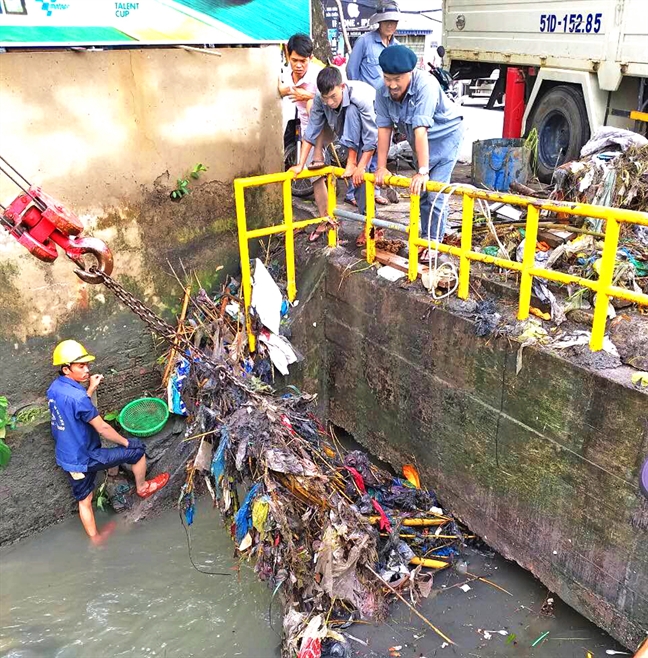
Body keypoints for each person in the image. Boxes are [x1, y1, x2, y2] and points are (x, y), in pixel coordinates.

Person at [47, 340, 169, 544]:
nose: (87, 370)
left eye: (87, 365)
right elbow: (102, 427)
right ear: (66, 369)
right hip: (86, 457)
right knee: (137, 450)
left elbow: (74, 412)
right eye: (81, 366)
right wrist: (126, 442)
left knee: (84, 500)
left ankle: (95, 539)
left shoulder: (54, 389)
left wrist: (91, 388)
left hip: (67, 456)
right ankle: (143, 487)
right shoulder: (78, 397)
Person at [374, 45, 464, 245]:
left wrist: (423, 171)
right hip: (419, 142)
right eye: (388, 78)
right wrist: (381, 167)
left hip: (446, 136)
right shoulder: (382, 91)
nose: (392, 85)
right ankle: (425, 238)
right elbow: (384, 129)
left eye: (398, 79)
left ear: (410, 73)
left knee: (434, 193)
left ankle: (434, 244)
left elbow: (421, 129)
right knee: (420, 193)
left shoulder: (426, 85)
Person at [288, 66, 378, 241]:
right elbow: (311, 131)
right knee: (356, 179)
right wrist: (300, 164)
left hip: (373, 133)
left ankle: (372, 227)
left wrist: (359, 165)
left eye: (333, 97)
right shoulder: (322, 100)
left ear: (342, 87)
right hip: (346, 130)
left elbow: (371, 138)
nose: (329, 102)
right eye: (325, 98)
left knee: (362, 178)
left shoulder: (360, 98)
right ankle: (366, 223)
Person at [345, 1, 401, 207]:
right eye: (386, 21)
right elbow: (352, 70)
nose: (390, 25)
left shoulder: (396, 46)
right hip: (364, 104)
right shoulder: (365, 41)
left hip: (387, 106)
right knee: (362, 147)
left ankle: (375, 189)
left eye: (393, 21)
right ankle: (353, 192)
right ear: (379, 22)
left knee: (381, 148)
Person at [279, 33, 327, 213]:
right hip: (308, 130)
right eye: (294, 60)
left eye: (303, 61)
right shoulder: (285, 73)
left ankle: (318, 153)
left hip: (326, 125)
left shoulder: (318, 75)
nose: (298, 65)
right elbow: (281, 89)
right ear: (287, 55)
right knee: (316, 178)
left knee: (310, 103)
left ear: (311, 58)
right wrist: (286, 89)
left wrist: (311, 96)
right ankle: (325, 220)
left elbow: (336, 97)